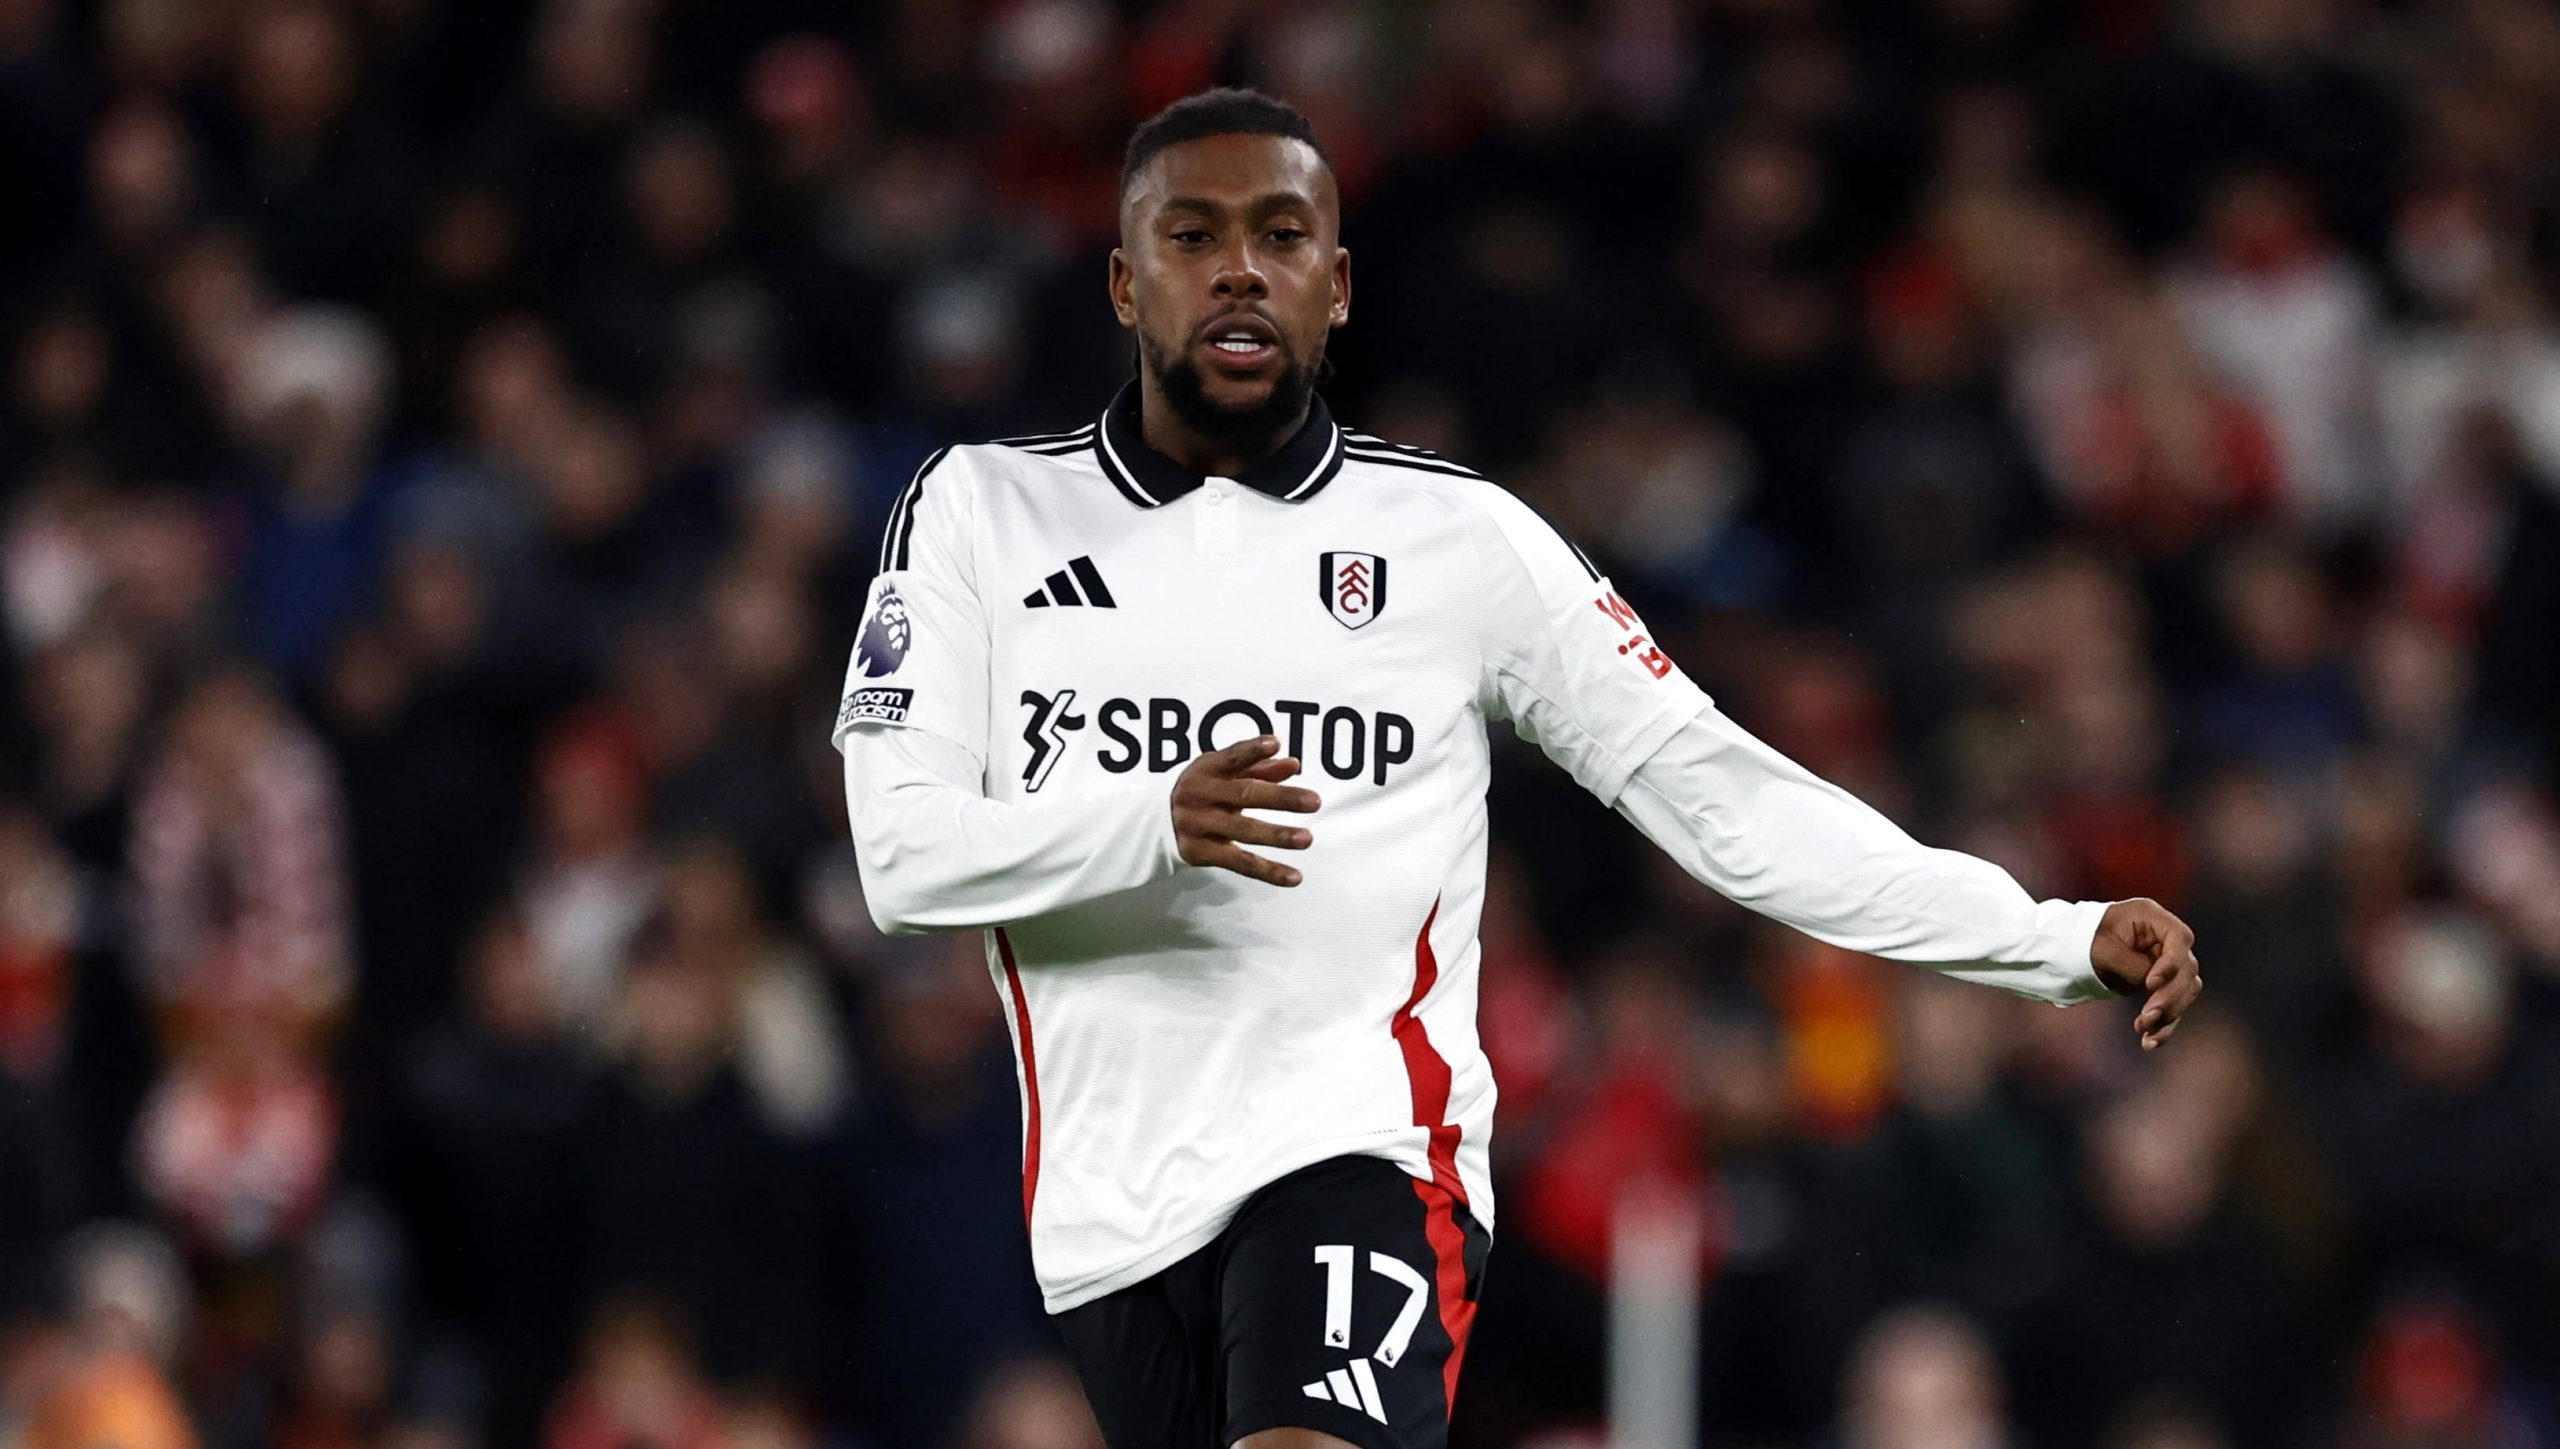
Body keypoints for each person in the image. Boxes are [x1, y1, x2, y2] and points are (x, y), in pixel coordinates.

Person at [833, 89, 2203, 1449]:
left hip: (1366, 1150)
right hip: (1107, 1213)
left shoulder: (1459, 543)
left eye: (1283, 234)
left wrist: (2049, 935)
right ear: (1128, 283)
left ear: (1340, 285)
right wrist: (1153, 822)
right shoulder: (981, 515)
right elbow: (901, 860)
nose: (1240, 267)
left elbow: (1721, 794)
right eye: (1193, 236)